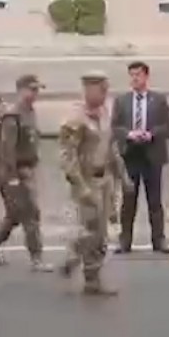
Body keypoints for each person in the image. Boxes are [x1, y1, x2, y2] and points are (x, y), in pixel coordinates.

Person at [58, 70, 131, 296]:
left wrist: (123, 176)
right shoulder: (75, 119)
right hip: (86, 179)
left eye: (106, 89)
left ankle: (85, 269)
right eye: (102, 89)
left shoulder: (105, 112)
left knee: (101, 232)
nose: (105, 94)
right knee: (91, 230)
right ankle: (80, 261)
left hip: (105, 178)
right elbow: (67, 157)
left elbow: (112, 147)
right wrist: (81, 187)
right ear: (88, 89)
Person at [0, 74, 53, 272]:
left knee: (14, 215)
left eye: (37, 90)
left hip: (28, 169)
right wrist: (13, 177)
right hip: (16, 172)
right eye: (32, 89)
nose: (35, 93)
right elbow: (7, 149)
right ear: (21, 90)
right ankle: (36, 258)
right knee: (31, 214)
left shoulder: (29, 112)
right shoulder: (13, 115)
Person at [113, 61, 169, 254]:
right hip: (130, 155)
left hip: (152, 154)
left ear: (146, 76)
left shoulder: (159, 100)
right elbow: (115, 126)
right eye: (131, 75)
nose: (134, 79)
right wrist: (128, 134)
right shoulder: (121, 101)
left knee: (154, 200)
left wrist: (151, 134)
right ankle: (125, 240)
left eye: (138, 75)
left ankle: (159, 239)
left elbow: (167, 126)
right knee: (128, 200)